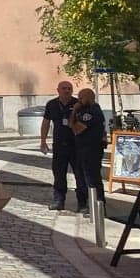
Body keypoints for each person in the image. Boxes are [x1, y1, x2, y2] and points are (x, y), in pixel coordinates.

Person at [41, 79, 85, 211]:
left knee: (80, 174)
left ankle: (82, 202)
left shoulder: (78, 104)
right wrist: (43, 141)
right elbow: (46, 122)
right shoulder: (52, 104)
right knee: (59, 174)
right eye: (64, 88)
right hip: (59, 145)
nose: (67, 90)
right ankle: (59, 200)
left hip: (76, 145)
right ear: (58, 90)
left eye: (69, 88)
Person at [72, 88, 107, 205]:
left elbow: (76, 129)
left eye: (81, 98)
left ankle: (98, 204)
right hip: (82, 149)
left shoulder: (92, 111)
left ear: (88, 97)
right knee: (82, 177)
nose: (79, 100)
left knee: (92, 178)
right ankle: (89, 202)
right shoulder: (84, 110)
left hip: (92, 149)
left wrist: (74, 112)